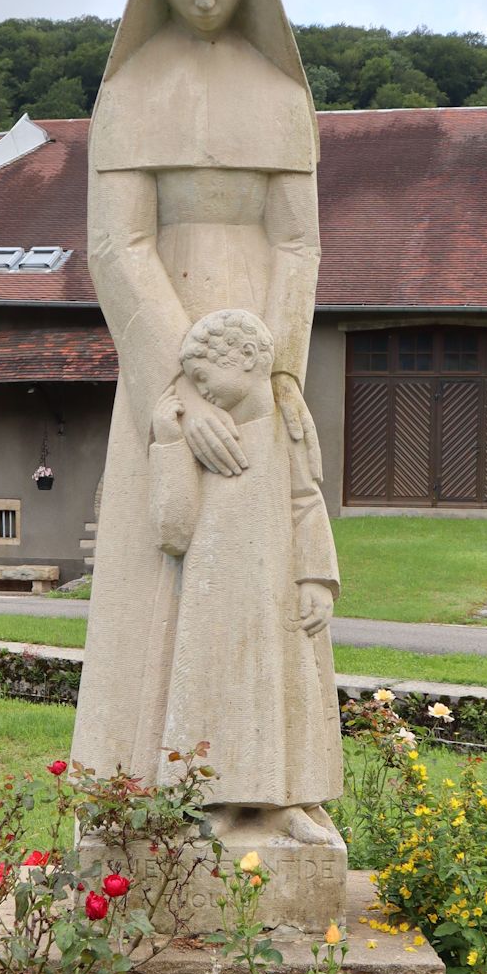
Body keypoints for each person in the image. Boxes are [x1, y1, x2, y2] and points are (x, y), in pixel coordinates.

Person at [71, 0, 343, 833]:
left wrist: (264, 375)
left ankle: (276, 789)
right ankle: (142, 796)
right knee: (171, 566)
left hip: (261, 367)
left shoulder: (278, 94)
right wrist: (180, 394)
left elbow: (297, 240)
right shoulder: (133, 89)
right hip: (170, 362)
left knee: (265, 580)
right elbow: (118, 243)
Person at [147, 308, 341, 839]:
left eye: (206, 378)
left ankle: (288, 803)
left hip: (277, 585)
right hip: (212, 588)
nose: (200, 392)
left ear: (252, 360)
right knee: (211, 686)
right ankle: (213, 799)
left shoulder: (289, 427)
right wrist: (168, 441)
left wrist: (317, 578)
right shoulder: (197, 436)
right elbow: (173, 532)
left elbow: (308, 501)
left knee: (285, 685)